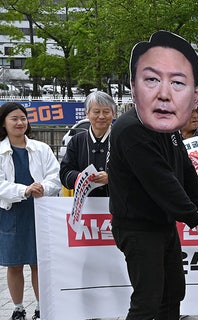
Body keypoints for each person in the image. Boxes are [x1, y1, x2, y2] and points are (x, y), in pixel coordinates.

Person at [107, 30, 198, 319]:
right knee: (148, 300)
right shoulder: (131, 129)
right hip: (137, 227)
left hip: (163, 225)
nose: (164, 93)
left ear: (194, 93)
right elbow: (162, 182)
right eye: (152, 79)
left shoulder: (167, 125)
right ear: (134, 86)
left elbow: (184, 171)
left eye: (176, 83)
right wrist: (196, 221)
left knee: (173, 292)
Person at [1, 102, 61, 320]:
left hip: (39, 211)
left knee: (39, 263)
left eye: (23, 118)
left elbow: (56, 175)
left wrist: (43, 187)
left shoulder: (41, 148)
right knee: (14, 264)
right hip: (12, 213)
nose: (20, 123)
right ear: (4, 123)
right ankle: (18, 308)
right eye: (14, 119)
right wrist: (24, 190)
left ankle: (41, 306)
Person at [59, 91, 116, 197]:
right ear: (87, 113)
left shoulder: (121, 140)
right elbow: (64, 173)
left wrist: (111, 178)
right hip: (84, 206)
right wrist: (82, 177)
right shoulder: (77, 141)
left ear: (113, 114)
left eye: (106, 112)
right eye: (96, 112)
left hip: (115, 206)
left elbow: (134, 172)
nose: (101, 116)